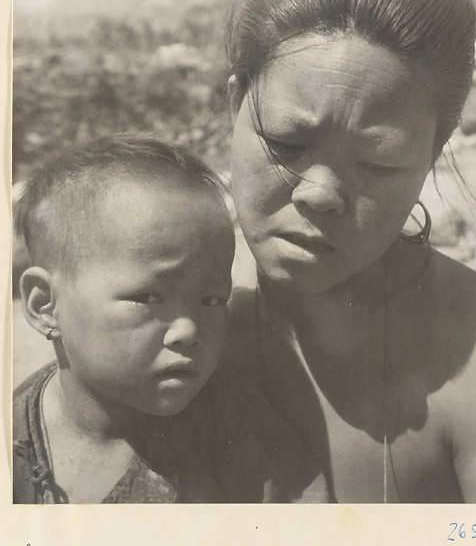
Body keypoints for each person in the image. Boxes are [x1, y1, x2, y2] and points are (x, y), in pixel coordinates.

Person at [224, 0, 476, 503]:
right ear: (235, 104)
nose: (320, 193)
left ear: (432, 155)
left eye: (378, 163)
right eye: (286, 143)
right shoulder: (175, 315)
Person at [12, 134, 328, 504]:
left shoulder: (236, 434)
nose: (188, 331)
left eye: (211, 300)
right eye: (147, 298)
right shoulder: (15, 439)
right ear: (45, 304)